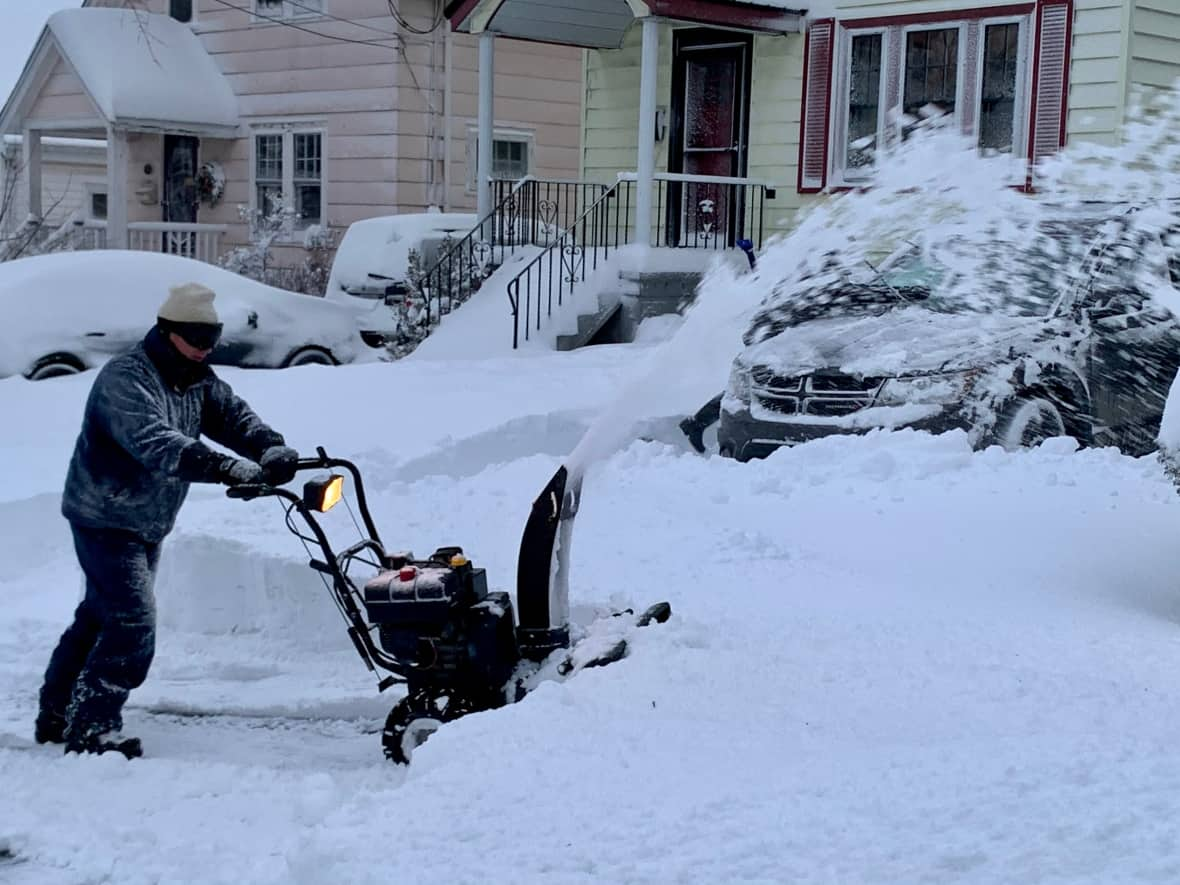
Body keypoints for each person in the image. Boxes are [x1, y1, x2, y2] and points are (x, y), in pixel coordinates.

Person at [34, 283, 300, 759]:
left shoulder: (195, 375)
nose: (206, 347)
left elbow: (231, 416)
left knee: (98, 616)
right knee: (132, 622)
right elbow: (157, 443)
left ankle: (57, 713)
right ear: (167, 331)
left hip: (147, 518)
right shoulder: (126, 379)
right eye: (197, 337)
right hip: (104, 514)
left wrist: (268, 447)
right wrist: (225, 468)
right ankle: (93, 728)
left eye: (211, 337)